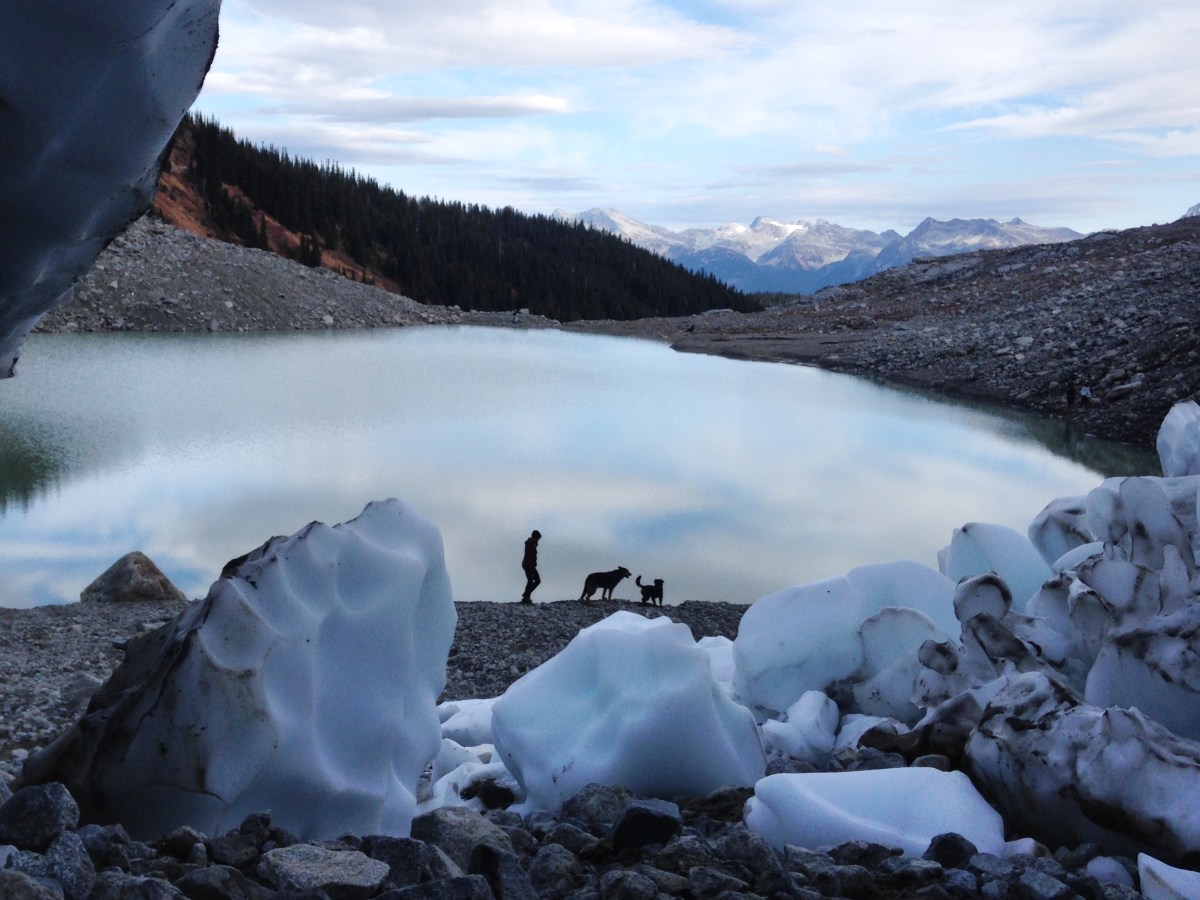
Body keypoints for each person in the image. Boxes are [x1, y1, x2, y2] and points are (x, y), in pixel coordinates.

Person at [520, 530, 541, 604]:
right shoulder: (530, 544)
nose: (538, 540)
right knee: (536, 580)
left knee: (530, 580)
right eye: (538, 539)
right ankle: (526, 595)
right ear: (535, 538)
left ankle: (526, 597)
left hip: (528, 565)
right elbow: (530, 557)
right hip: (529, 565)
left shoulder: (531, 543)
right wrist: (531, 568)